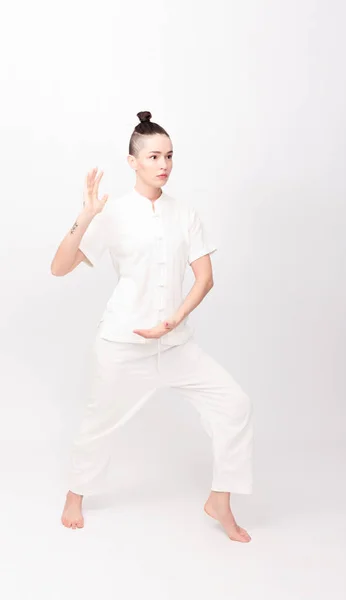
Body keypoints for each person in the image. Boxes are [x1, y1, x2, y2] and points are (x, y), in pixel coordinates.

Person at [51, 111, 254, 543]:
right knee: (98, 424)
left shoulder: (185, 214)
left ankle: (221, 500)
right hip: (123, 345)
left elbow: (205, 277)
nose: (163, 165)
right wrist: (85, 216)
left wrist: (175, 320)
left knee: (235, 405)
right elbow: (59, 267)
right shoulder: (114, 213)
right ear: (132, 161)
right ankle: (75, 494)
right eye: (154, 156)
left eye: (169, 156)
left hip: (175, 344)